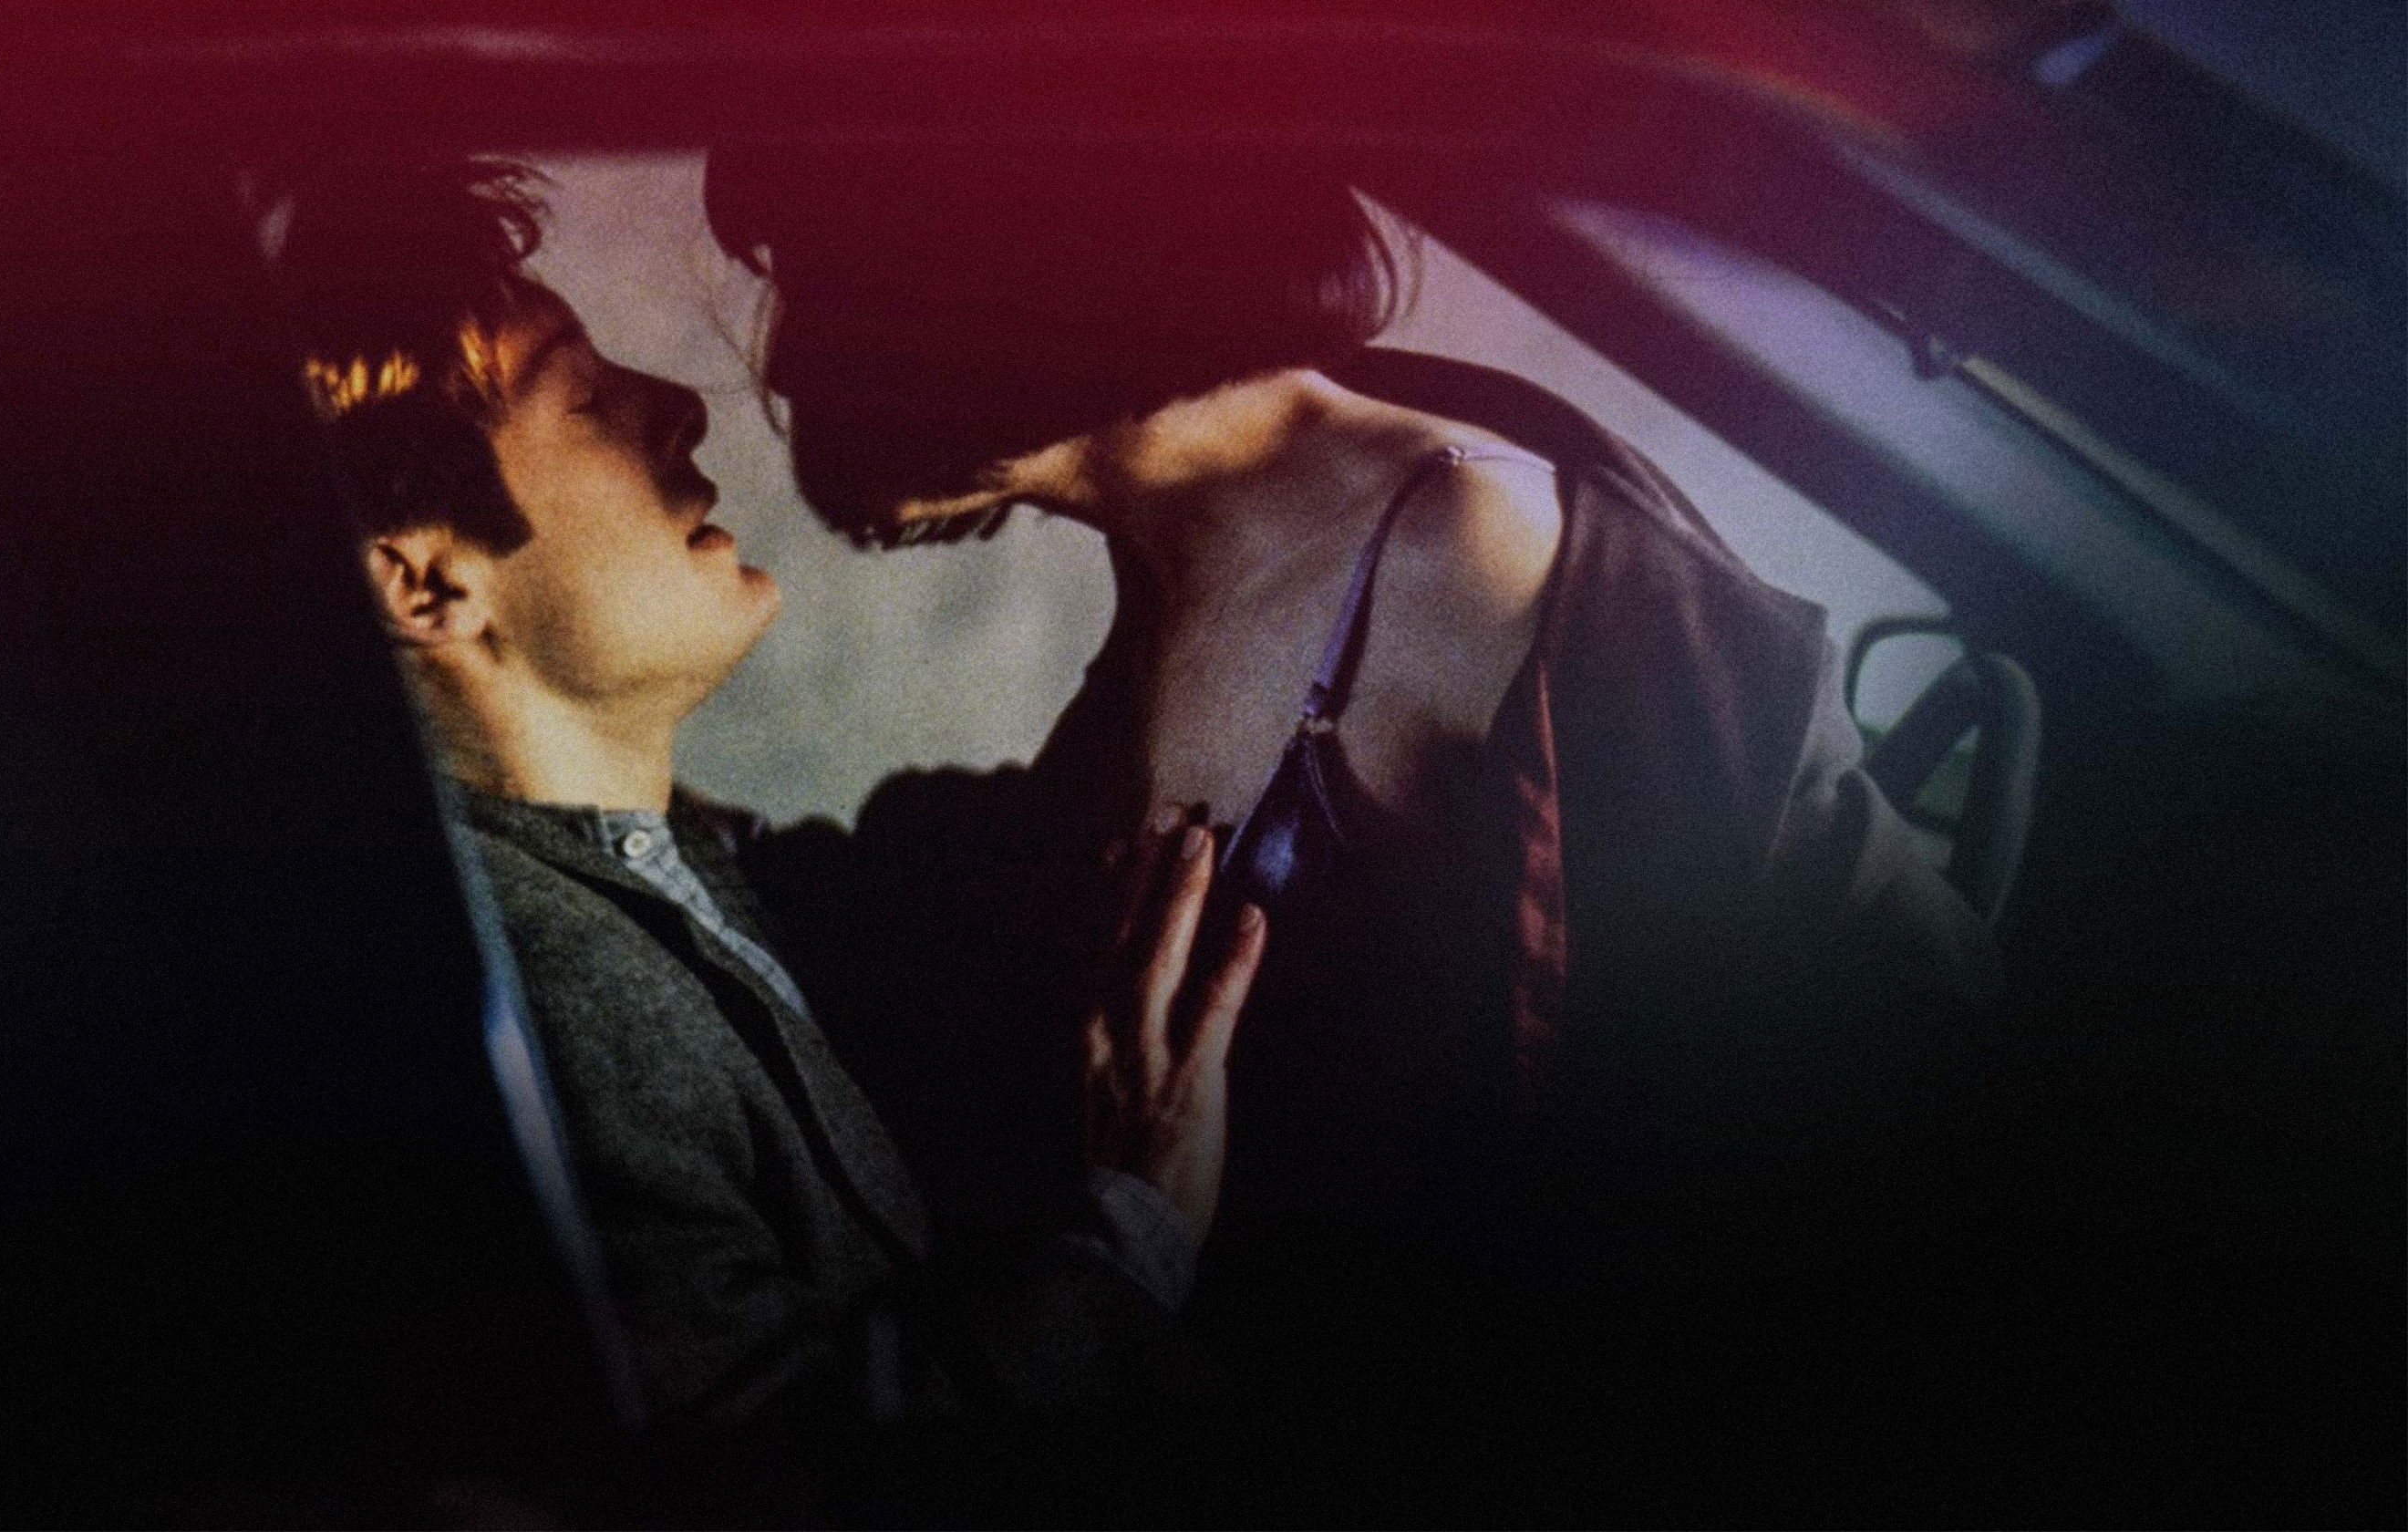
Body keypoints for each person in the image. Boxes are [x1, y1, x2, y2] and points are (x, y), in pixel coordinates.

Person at [706, 140, 2008, 1506]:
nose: (792, 366)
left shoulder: (1484, 552)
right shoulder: (1178, 529)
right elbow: (1025, 889)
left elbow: (1910, 1042)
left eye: (830, 284)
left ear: (996, 275)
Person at [271, 158, 1267, 1434]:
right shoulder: (533, 1001)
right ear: (424, 587)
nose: (681, 407)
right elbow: (782, 1481)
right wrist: (1137, 1228)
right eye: (585, 401)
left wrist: (1188, 562)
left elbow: (928, 883)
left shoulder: (642, 866)